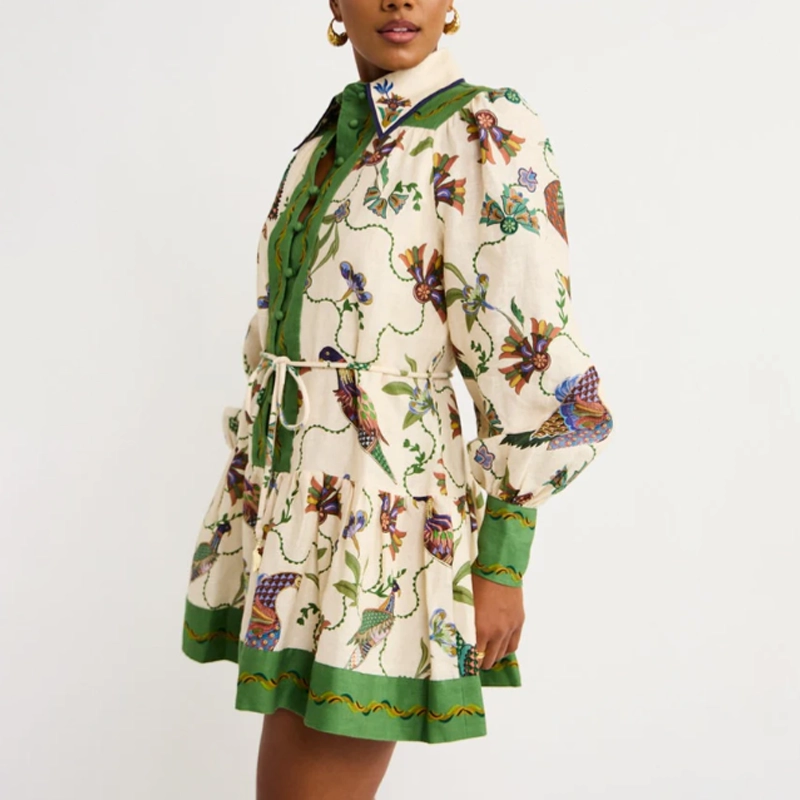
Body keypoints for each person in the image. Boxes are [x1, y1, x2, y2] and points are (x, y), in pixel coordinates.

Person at [181, 1, 615, 797]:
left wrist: (503, 562)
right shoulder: (324, 143)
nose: (399, 1)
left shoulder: (482, 129)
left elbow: (533, 350)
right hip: (295, 520)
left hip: (384, 526)